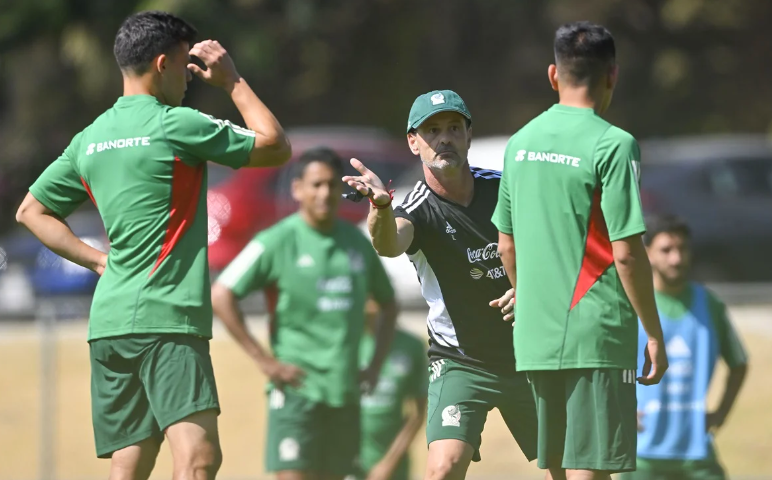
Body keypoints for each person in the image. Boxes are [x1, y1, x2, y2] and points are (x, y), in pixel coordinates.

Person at [15, 10, 291, 480]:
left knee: (131, 464)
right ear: (162, 64)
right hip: (165, 317)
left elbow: (30, 212)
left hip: (109, 325)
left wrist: (98, 261)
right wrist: (233, 81)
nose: (189, 79)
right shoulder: (176, 124)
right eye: (184, 66)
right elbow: (275, 146)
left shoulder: (90, 138)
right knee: (199, 458)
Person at [490, 22, 669, 480]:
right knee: (590, 468)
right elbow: (626, 253)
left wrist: (529, 298)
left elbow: (506, 246)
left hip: (536, 335)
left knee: (561, 468)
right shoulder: (614, 144)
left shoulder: (519, 144)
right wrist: (653, 332)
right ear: (612, 75)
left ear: (554, 74)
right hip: (596, 333)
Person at [342, 89, 538, 480]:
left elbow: (550, 247)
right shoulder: (414, 207)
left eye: (453, 128)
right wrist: (380, 206)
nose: (444, 138)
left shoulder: (505, 189)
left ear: (468, 135)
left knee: (567, 468)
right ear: (413, 142)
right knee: (443, 468)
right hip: (461, 361)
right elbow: (388, 244)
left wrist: (529, 289)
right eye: (432, 131)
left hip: (529, 355)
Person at [211, 147, 398, 480]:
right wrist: (264, 361)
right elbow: (221, 294)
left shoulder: (356, 243)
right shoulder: (276, 240)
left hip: (345, 394)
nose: (324, 193)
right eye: (316, 185)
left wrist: (375, 366)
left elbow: (389, 303)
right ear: (297, 189)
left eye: (331, 184)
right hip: (296, 392)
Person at [618, 214, 749, 480]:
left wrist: (720, 414)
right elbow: (602, 362)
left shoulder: (710, 305)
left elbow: (739, 364)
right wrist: (617, 408)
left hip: (696, 457)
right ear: (648, 253)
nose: (676, 258)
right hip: (641, 456)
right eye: (666, 250)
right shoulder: (630, 304)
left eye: (682, 249)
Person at [355, 299, 428, 480]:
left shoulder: (411, 346)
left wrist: (387, 464)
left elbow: (417, 412)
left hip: (392, 465)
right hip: (347, 462)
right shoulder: (346, 343)